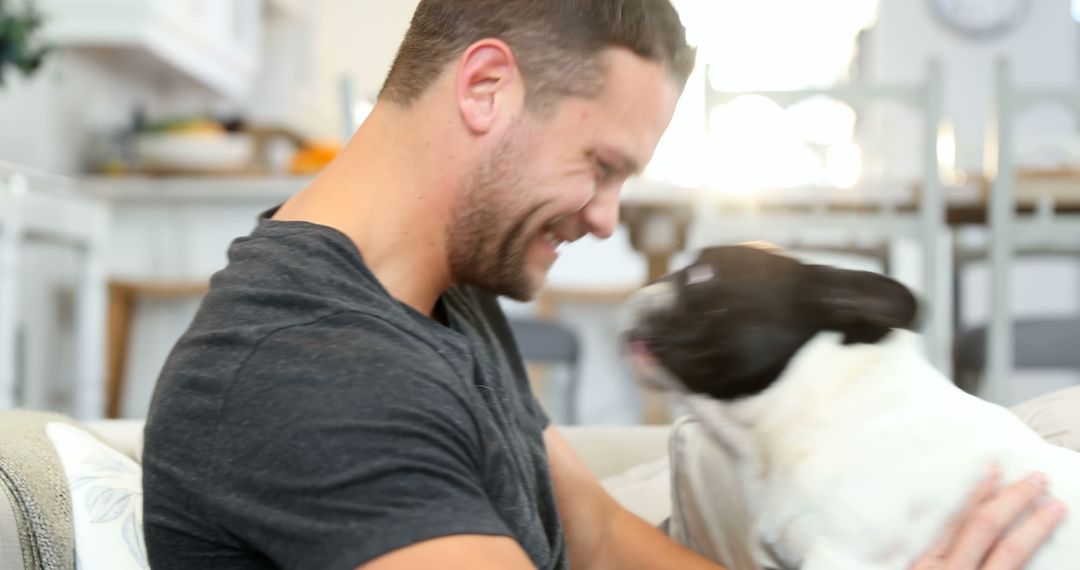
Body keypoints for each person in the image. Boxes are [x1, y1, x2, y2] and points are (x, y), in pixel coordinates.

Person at [142, 1, 1066, 568]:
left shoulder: (439, 297)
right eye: (602, 164)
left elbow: (599, 535)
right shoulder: (305, 372)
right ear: (486, 88)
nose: (606, 219)